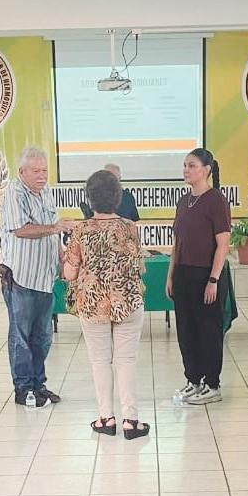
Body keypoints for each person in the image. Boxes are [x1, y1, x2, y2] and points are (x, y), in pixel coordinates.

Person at [63, 169, 149, 439]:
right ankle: (131, 421)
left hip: (93, 303)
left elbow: (70, 273)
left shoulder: (81, 230)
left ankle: (106, 418)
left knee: (99, 360)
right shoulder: (130, 228)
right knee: (126, 360)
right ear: (118, 197)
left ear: (89, 199)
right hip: (128, 300)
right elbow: (138, 265)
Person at [0, 147, 74, 409]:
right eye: (36, 171)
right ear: (22, 172)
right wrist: (55, 228)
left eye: (44, 170)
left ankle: (38, 384)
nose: (42, 176)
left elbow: (54, 232)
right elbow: (20, 230)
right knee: (21, 337)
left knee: (42, 338)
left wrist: (62, 258)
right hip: (21, 278)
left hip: (44, 278)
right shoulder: (14, 193)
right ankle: (23, 389)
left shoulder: (46, 191)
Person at [165, 148, 231, 406]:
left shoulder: (216, 200)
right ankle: (193, 379)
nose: (186, 170)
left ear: (206, 170)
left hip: (206, 274)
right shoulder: (183, 202)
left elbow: (223, 244)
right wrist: (171, 275)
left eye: (191, 165)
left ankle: (212, 384)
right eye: (185, 165)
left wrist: (213, 280)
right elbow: (177, 243)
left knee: (208, 331)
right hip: (183, 273)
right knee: (186, 330)